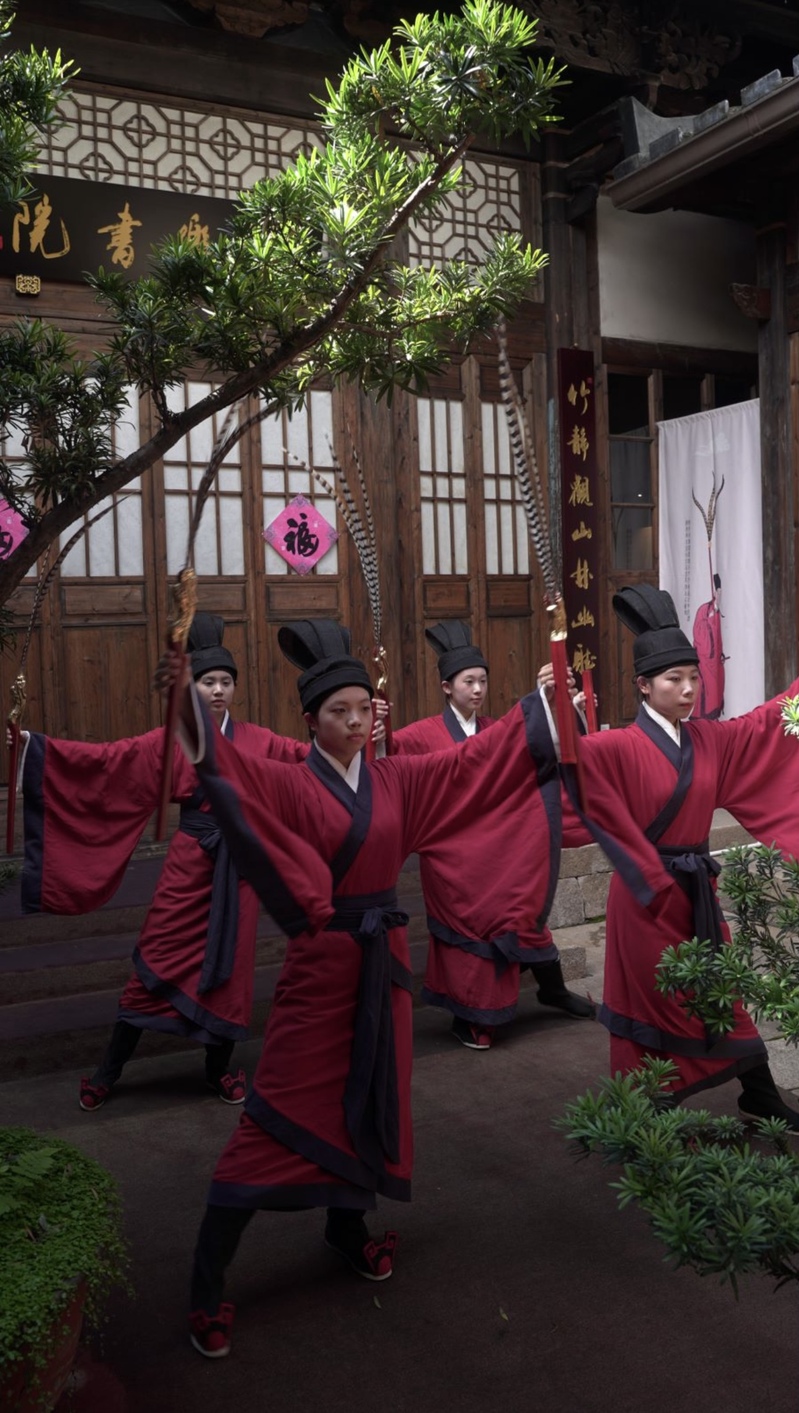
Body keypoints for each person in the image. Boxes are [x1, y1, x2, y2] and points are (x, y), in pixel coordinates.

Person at [171, 618, 667, 1358]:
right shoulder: (284, 780)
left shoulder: (397, 778)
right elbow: (224, 769)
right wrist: (181, 699)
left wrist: (542, 702)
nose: (354, 723)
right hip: (321, 968)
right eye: (337, 712)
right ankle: (205, 1285)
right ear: (309, 720)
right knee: (275, 1112)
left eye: (361, 710)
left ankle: (346, 1228)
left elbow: (473, 765)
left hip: (384, 966)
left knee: (374, 1096)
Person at [14, 614, 313, 1111]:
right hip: (190, 865)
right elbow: (108, 762)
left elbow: (310, 762)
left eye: (226, 682)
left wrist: (362, 733)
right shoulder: (172, 739)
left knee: (231, 972)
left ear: (235, 689)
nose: (217, 690)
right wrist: (33, 746)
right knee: (154, 964)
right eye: (207, 681)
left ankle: (218, 1069)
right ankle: (108, 1071)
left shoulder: (261, 741)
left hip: (239, 870)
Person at [558, 584, 799, 1128]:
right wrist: (558, 715)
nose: (689, 688)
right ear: (644, 685)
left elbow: (767, 725)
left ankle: (759, 1095)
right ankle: (650, 1109)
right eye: (674, 679)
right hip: (646, 897)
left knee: (723, 993)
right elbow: (566, 769)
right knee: (656, 1002)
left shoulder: (711, 740)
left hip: (698, 895)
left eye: (694, 676)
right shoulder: (616, 746)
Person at [391, 620, 594, 1050]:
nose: (478, 689)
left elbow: (531, 755)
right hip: (453, 856)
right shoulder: (420, 734)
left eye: (483, 680)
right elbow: (389, 766)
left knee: (521, 911)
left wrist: (559, 703)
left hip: (498, 849)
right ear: (447, 687)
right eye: (469, 681)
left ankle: (552, 989)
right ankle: (472, 1014)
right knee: (471, 936)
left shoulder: (495, 728)